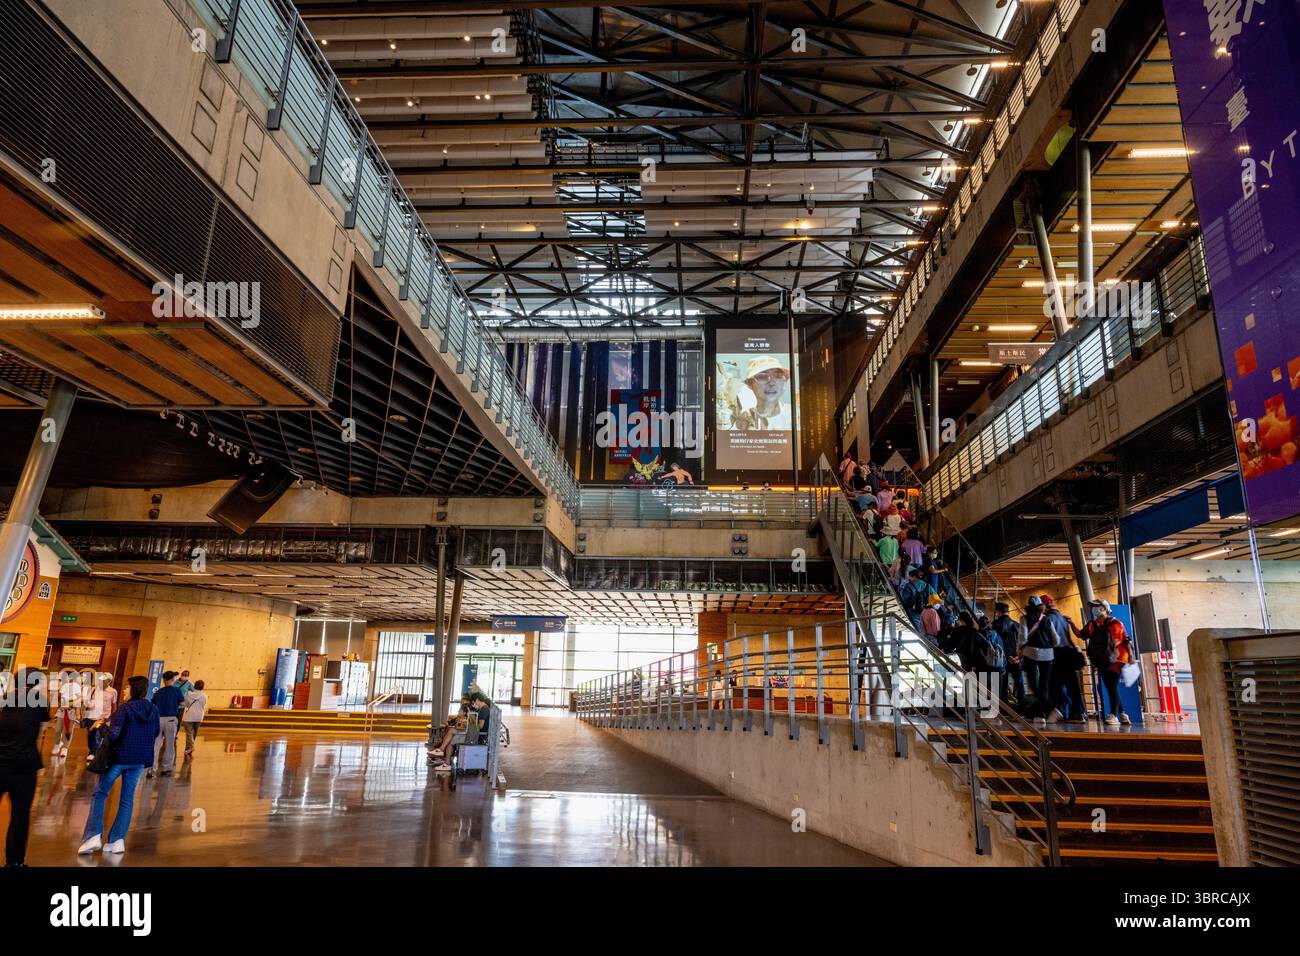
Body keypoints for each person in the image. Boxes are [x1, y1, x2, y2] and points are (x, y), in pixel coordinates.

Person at [79, 675, 160, 856]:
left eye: (126, 688)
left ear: (133, 690)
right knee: (127, 799)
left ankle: (93, 836)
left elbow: (114, 735)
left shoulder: (125, 709)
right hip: (139, 761)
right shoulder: (153, 709)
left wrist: (100, 726)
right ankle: (117, 841)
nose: (124, 691)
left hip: (119, 758)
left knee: (100, 794)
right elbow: (155, 733)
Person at [0, 669, 48, 867]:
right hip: (24, 766)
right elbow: (42, 730)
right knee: (20, 815)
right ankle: (15, 862)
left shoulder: (4, 699)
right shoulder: (39, 702)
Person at [1082, 599, 1134, 726]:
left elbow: (1121, 641)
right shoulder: (1093, 625)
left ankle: (1113, 714)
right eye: (1092, 607)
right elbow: (1081, 634)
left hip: (1116, 658)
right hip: (1103, 659)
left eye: (1096, 606)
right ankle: (1122, 714)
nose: (1094, 609)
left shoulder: (1115, 623)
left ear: (1104, 608)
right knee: (1111, 687)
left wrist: (1131, 656)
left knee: (1111, 686)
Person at [729, 356, 791, 430]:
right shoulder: (737, 420)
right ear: (749, 383)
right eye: (762, 377)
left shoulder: (796, 415)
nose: (771, 383)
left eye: (778, 376)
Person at [149, 671, 185, 778]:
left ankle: (151, 769)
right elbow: (182, 703)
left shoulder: (158, 692)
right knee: (169, 745)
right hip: (170, 719)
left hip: (158, 719)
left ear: (164, 680)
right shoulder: (176, 690)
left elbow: (153, 705)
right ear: (173, 679)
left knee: (156, 745)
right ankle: (166, 769)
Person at [990, 603, 1026, 708]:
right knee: (1019, 682)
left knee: (1003, 683)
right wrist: (1018, 657)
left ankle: (1004, 707)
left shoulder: (994, 625)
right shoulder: (1017, 625)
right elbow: (1022, 642)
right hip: (1015, 658)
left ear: (998, 612)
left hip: (1002, 659)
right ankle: (1022, 705)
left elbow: (994, 642)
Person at [84, 673, 117, 759]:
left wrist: (112, 717)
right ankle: (92, 751)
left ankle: (95, 753)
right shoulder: (93, 689)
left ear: (109, 681)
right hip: (92, 716)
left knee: (99, 734)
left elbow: (114, 705)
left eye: (104, 680)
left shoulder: (113, 691)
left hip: (104, 718)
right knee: (91, 735)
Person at [181, 680, 208, 755]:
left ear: (194, 686)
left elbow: (186, 704)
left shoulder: (189, 695)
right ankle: (189, 748)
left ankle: (190, 746)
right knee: (194, 733)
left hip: (190, 715)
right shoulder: (204, 696)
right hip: (199, 716)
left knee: (189, 733)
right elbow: (204, 705)